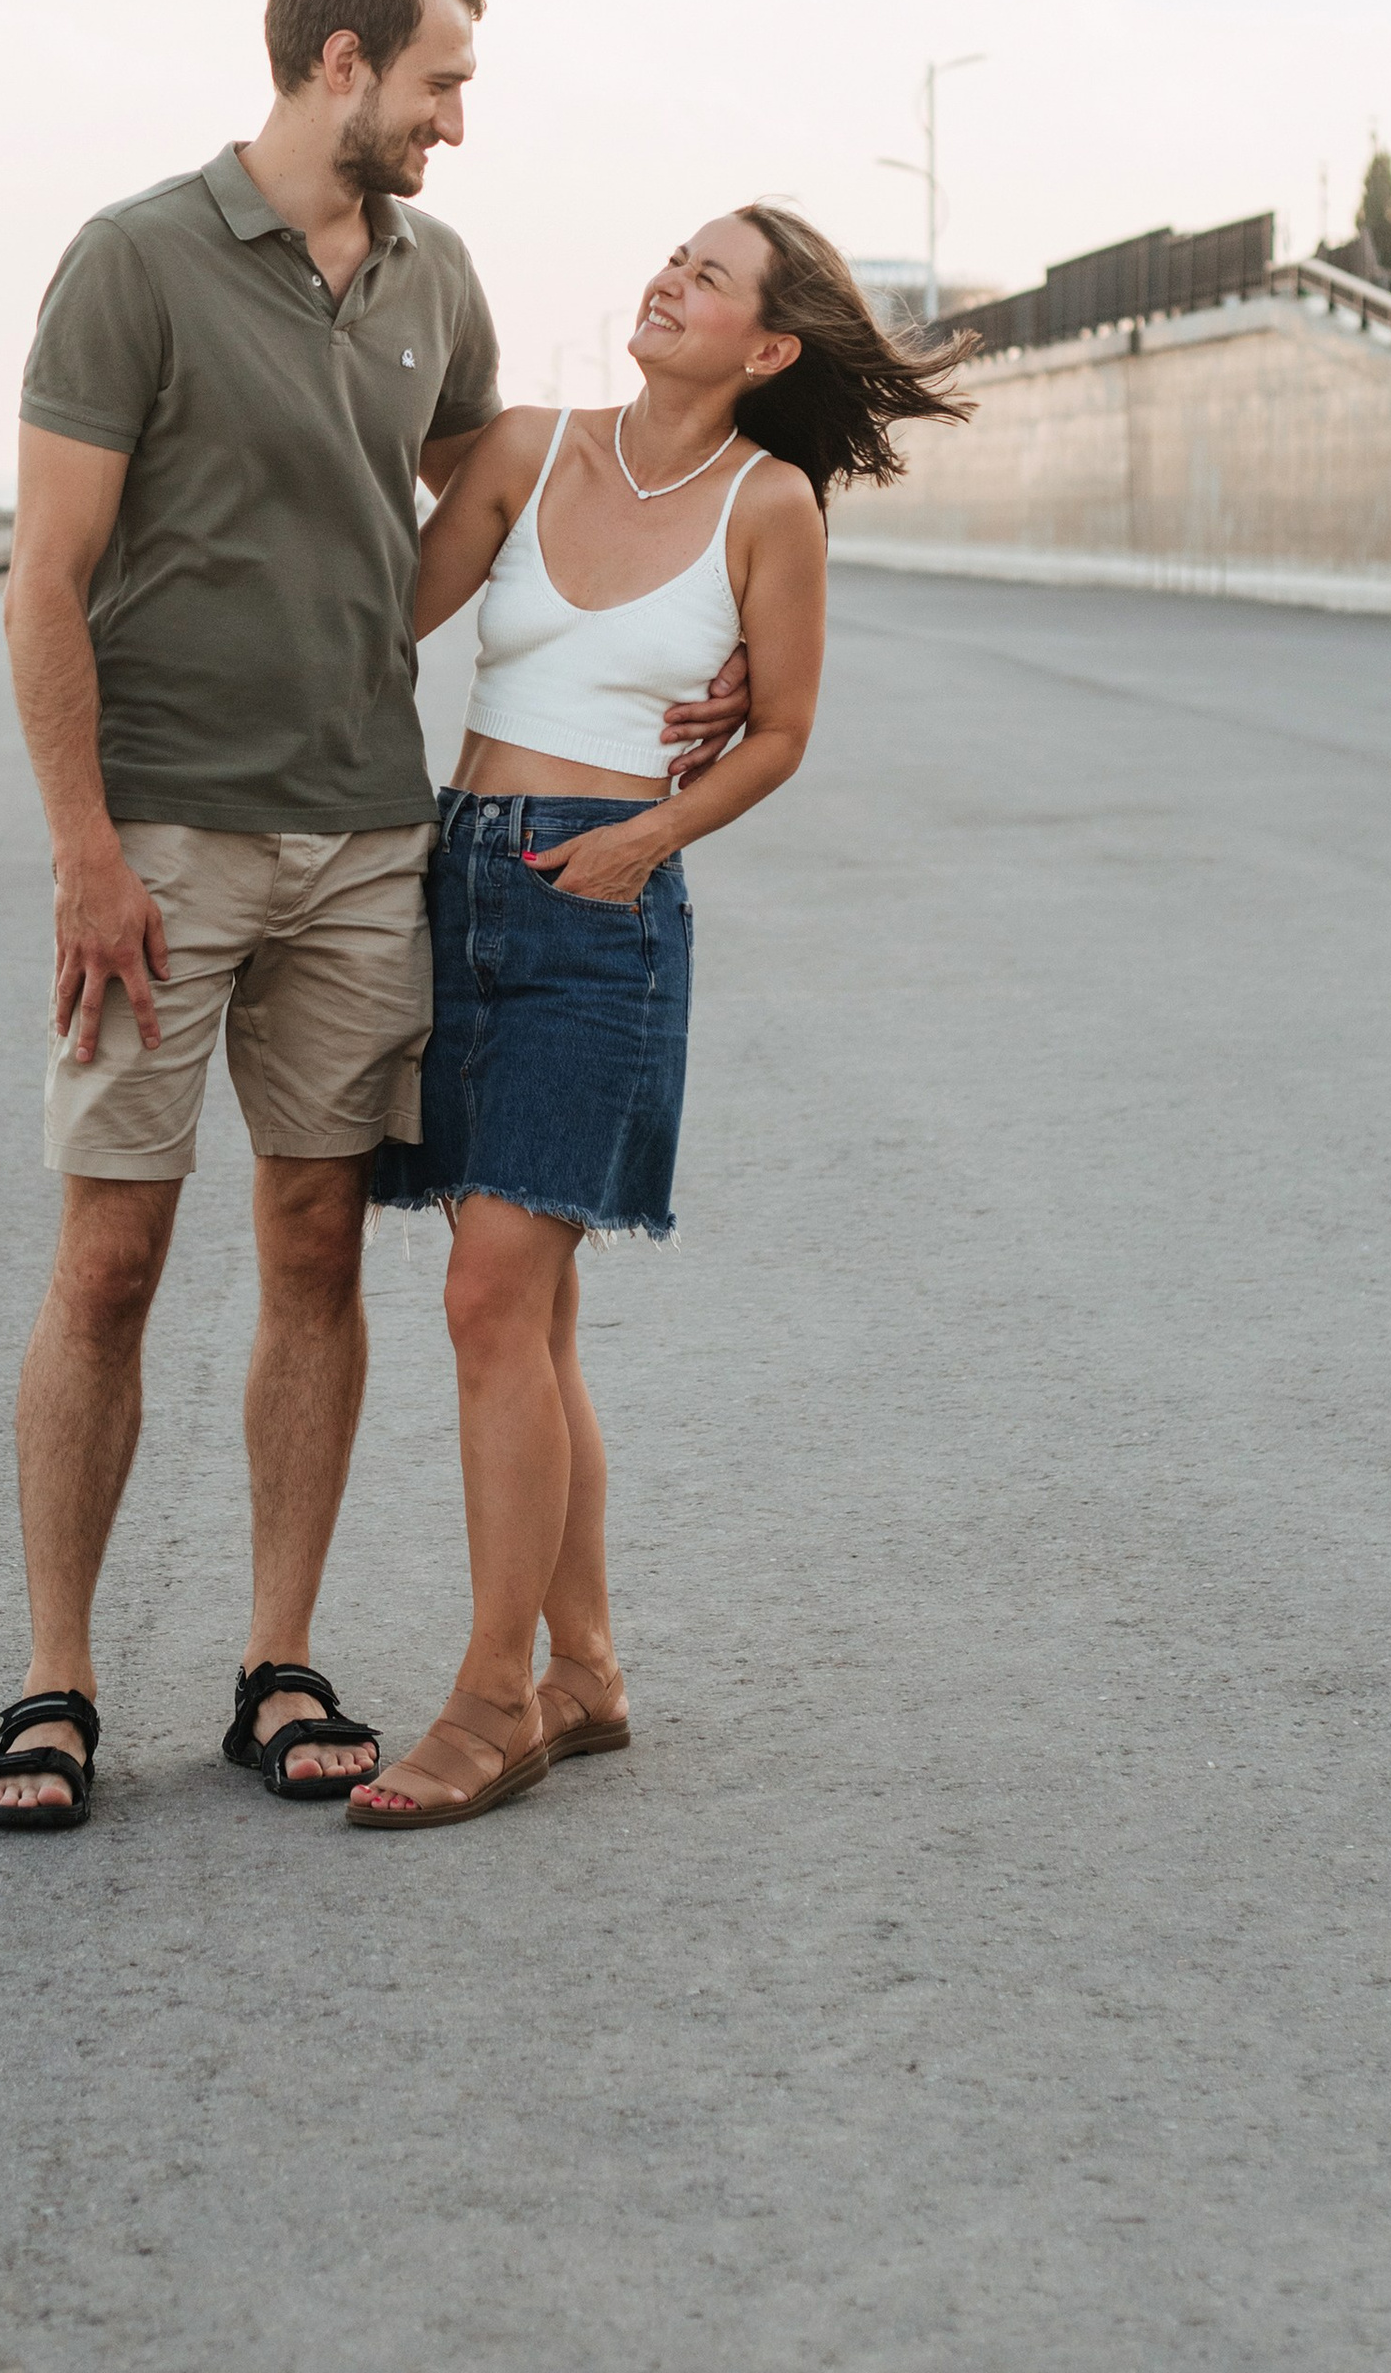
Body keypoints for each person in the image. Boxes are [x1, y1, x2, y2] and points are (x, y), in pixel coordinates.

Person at [0, 0, 749, 1830]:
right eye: (439, 84)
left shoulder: (434, 278)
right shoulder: (135, 259)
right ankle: (57, 1682)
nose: (454, 124)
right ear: (342, 62)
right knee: (110, 1260)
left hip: (367, 838)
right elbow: (44, 576)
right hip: (162, 837)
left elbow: (522, 502)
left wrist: (705, 640)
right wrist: (83, 848)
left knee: (317, 1246)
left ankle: (277, 1660)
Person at [350, 206, 971, 1829]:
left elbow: (783, 733)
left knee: (489, 1297)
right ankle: (587, 1670)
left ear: (767, 348)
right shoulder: (528, 448)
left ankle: (495, 1701)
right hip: (459, 881)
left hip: (602, 916)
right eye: (672, 259)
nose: (669, 280)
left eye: (708, 276)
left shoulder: (770, 507)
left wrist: (647, 838)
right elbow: (382, 622)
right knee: (534, 1319)